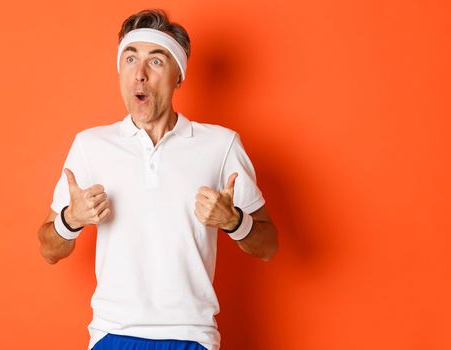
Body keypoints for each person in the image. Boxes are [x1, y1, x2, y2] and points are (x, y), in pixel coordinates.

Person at [36, 8, 278, 350]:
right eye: (130, 59)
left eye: (157, 61)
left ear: (179, 76)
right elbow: (49, 249)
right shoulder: (90, 146)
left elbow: (268, 246)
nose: (140, 75)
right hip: (112, 334)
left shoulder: (221, 145)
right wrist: (69, 220)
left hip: (191, 336)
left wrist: (234, 221)